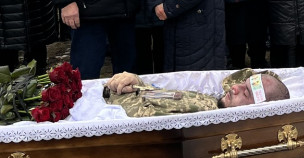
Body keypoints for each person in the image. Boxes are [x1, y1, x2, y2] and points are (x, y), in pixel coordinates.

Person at [103, 67, 290, 114]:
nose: (235, 87)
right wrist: (138, 82)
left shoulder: (202, 115)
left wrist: (119, 90)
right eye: (243, 84)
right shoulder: (216, 102)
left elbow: (139, 115)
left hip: (117, 102)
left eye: (246, 92)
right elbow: (164, 95)